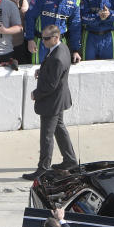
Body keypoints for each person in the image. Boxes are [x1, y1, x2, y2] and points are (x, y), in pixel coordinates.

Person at [22, 24, 77, 180]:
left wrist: (36, 94)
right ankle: (70, 160)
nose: (43, 41)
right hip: (59, 99)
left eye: (46, 39)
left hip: (52, 101)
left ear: (55, 38)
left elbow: (51, 85)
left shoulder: (58, 57)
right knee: (59, 128)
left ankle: (43, 169)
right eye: (42, 37)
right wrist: (43, 71)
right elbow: (54, 72)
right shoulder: (62, 48)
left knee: (47, 135)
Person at [24, 0, 82, 64]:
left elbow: (75, 27)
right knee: (38, 72)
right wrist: (30, 39)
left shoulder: (75, 1)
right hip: (41, 42)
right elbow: (30, 17)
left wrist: (75, 50)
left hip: (60, 42)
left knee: (58, 72)